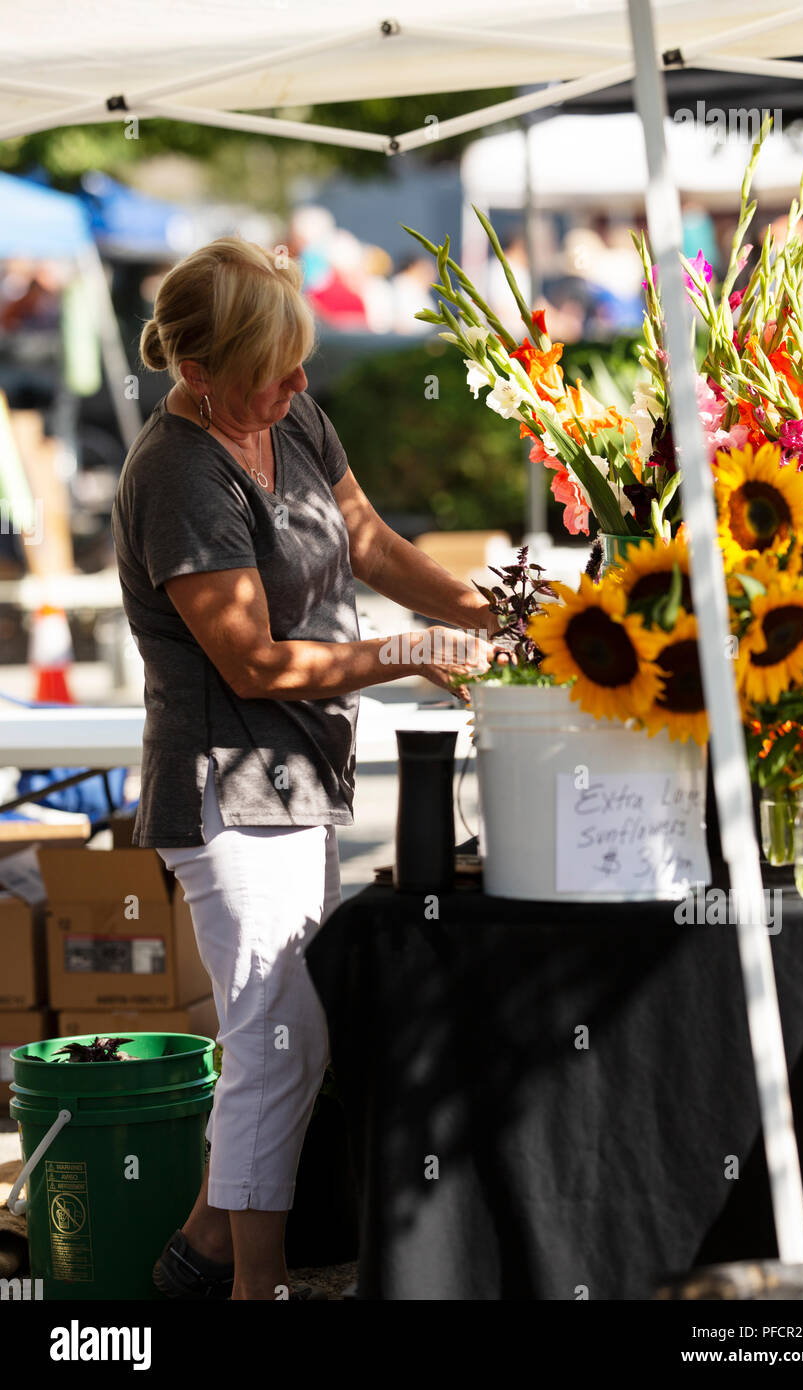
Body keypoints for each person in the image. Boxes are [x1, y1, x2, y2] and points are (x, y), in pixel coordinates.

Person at [110, 236, 499, 1301]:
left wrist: (495, 611)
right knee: (276, 1044)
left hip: (296, 780)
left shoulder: (289, 415)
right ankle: (258, 1288)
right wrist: (407, 650)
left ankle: (198, 1258)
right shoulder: (180, 472)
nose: (297, 387)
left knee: (289, 1036)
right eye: (270, 372)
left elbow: (370, 543)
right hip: (227, 792)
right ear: (194, 372)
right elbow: (252, 659)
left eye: (298, 365)